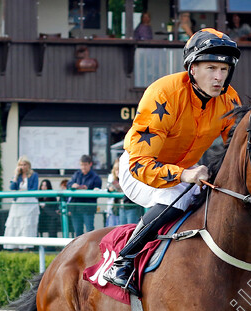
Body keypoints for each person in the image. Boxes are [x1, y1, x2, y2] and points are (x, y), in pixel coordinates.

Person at [103, 28, 241, 294]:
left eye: (224, 69)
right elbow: (141, 164)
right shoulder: (164, 93)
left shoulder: (228, 99)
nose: (218, 77)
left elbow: (235, 146)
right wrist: (184, 176)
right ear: (192, 69)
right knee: (176, 195)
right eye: (211, 68)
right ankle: (123, 260)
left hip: (184, 170)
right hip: (136, 168)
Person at [3, 156, 39, 250]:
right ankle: (15, 248)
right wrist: (15, 176)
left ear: (28, 165)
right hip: (18, 204)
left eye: (24, 164)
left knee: (26, 225)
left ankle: (26, 248)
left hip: (29, 203)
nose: (23, 166)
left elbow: (34, 189)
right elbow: (12, 187)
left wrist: (22, 191)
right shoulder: (17, 175)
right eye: (21, 165)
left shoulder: (34, 175)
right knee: (15, 225)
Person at [67, 155, 103, 236]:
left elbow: (97, 192)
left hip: (88, 208)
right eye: (81, 165)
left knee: (90, 231)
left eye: (85, 165)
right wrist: (73, 185)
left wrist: (88, 190)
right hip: (75, 208)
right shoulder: (77, 174)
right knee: (77, 231)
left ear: (90, 164)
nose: (83, 167)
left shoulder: (95, 177)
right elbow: (68, 184)